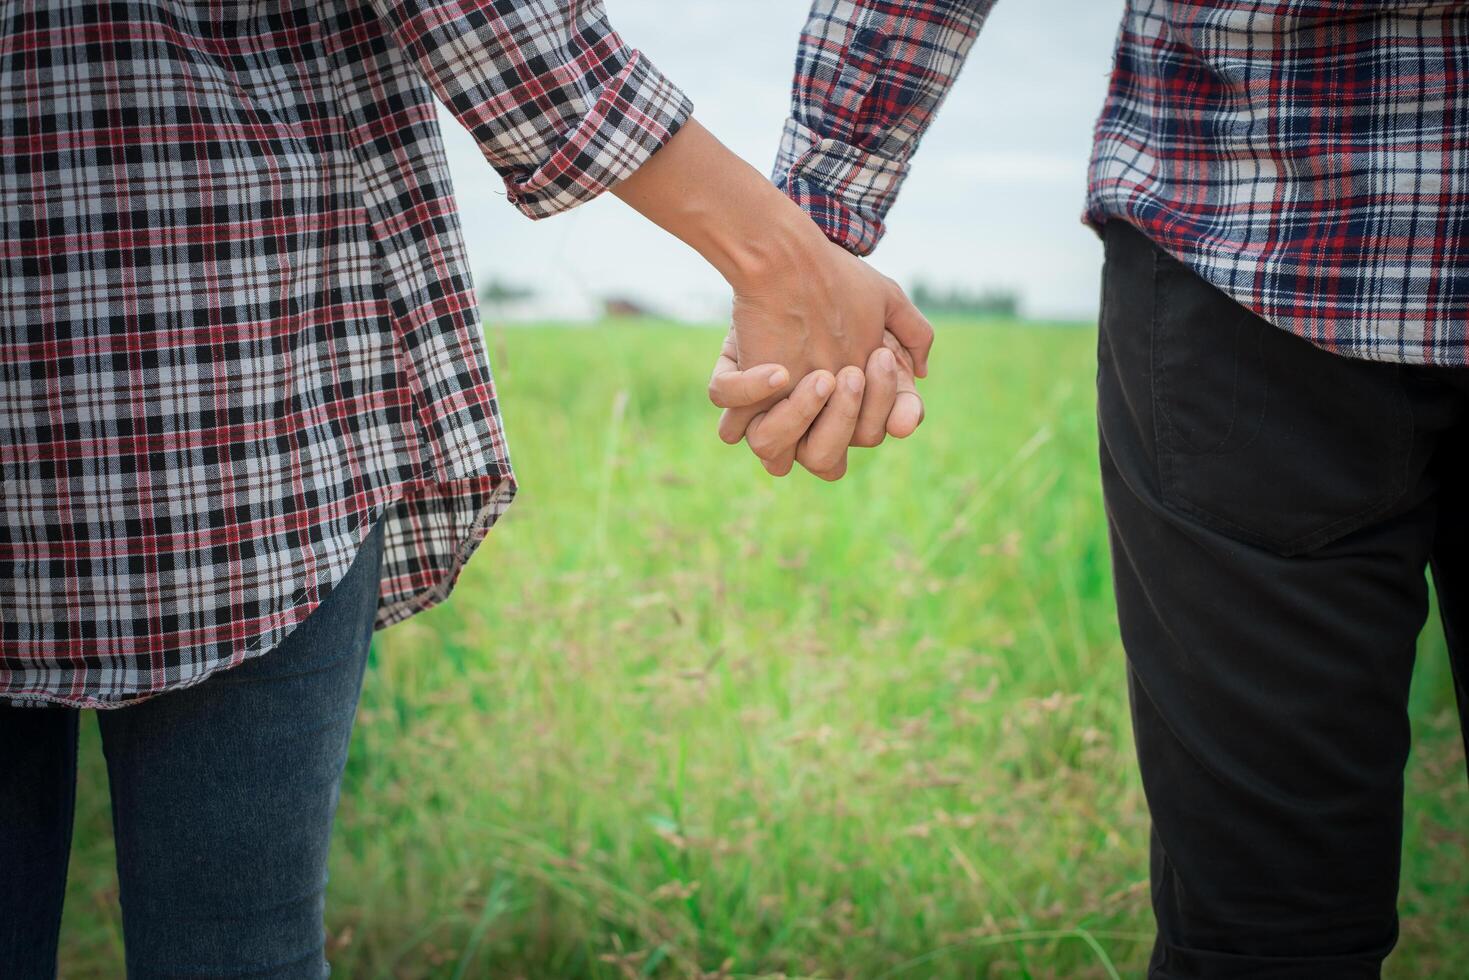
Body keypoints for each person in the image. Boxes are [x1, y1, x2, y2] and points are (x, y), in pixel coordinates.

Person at [0, 1, 928, 975]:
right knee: (238, 946)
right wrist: (779, 249)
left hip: (209, 354)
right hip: (231, 353)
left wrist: (803, 234)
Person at [732, 0, 1469, 976]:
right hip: (1246, 276)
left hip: (1249, 242)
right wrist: (807, 249)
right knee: (1258, 922)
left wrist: (812, 229)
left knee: (1263, 926)